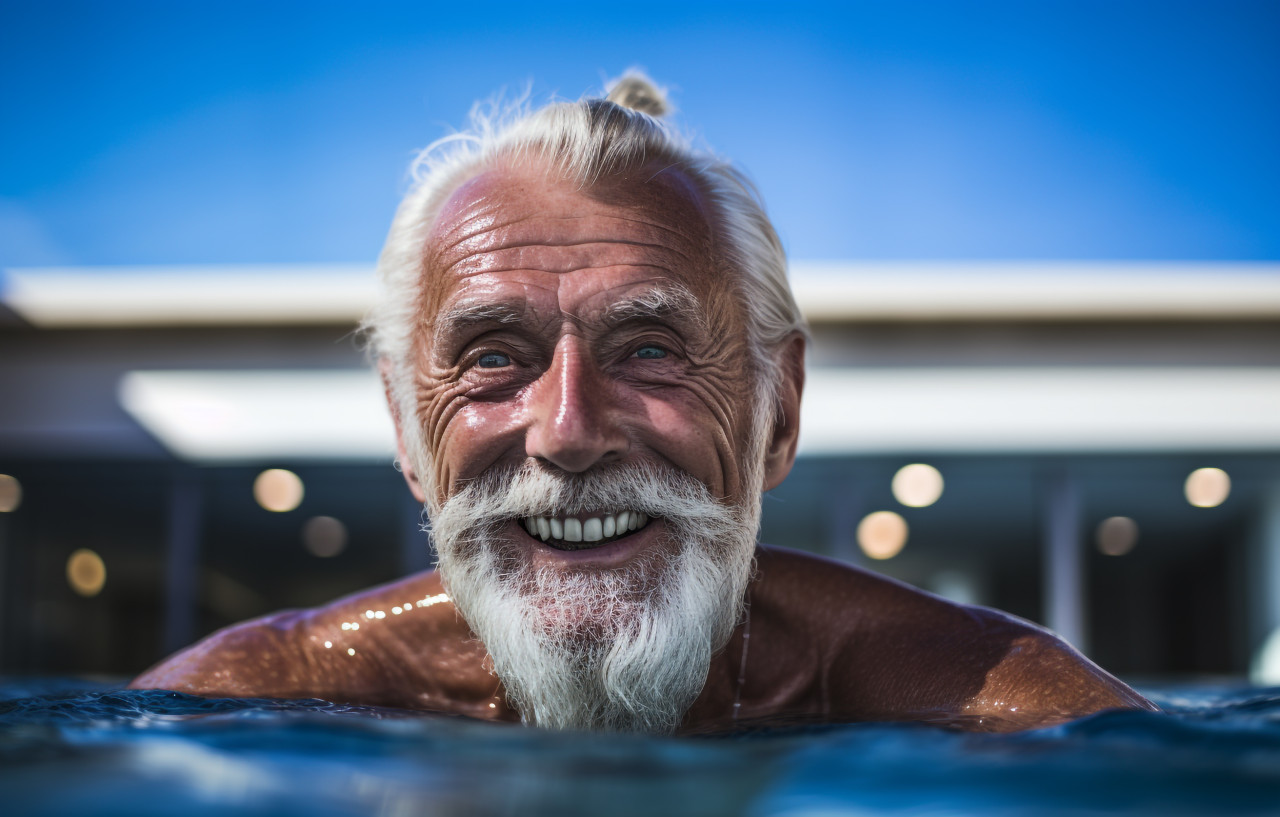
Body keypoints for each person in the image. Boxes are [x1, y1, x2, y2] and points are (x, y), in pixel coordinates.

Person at [132, 74, 1157, 733]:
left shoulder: (993, 708)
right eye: (492, 358)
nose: (569, 431)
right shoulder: (234, 707)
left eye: (652, 348)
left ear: (779, 412)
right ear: (407, 427)